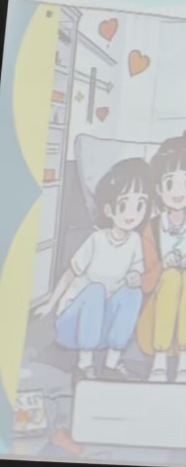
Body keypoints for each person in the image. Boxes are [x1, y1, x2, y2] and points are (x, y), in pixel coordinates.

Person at [34, 158, 150, 381]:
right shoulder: (97, 240)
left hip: (102, 327)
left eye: (139, 205)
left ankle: (111, 363)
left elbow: (137, 272)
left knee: (132, 293)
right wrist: (49, 305)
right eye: (123, 205)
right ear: (109, 209)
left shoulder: (135, 241)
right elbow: (70, 274)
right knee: (95, 290)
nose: (131, 214)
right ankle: (84, 364)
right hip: (73, 326)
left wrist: (135, 277)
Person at [136, 130, 186, 384]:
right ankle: (159, 363)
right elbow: (146, 283)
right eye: (170, 183)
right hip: (155, 324)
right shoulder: (152, 228)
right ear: (159, 188)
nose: (178, 192)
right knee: (170, 277)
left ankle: (185, 363)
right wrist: (162, 266)